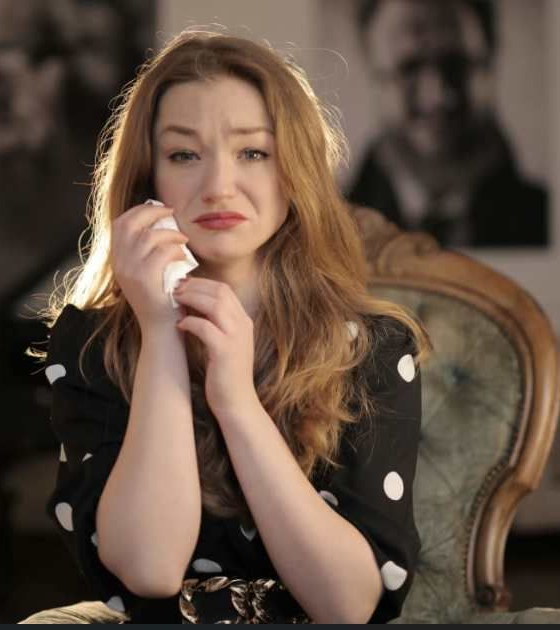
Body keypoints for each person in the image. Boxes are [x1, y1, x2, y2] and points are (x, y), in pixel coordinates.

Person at [30, 30, 430, 623]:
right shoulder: (92, 348)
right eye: (184, 155)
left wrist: (237, 401)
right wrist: (161, 332)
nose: (218, 185)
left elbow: (347, 605)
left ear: (293, 170)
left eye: (253, 153)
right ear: (149, 179)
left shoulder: (370, 348)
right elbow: (149, 568)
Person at [347, 0, 548, 247]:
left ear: (490, 64)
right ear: (371, 75)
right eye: (409, 68)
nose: (438, 97)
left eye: (456, 64)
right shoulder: (327, 229)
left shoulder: (547, 222)